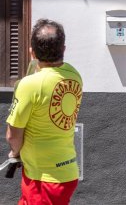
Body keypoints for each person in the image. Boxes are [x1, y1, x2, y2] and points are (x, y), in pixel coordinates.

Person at [6, 19, 83, 205]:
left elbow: (13, 135)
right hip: (66, 171)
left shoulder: (29, 85)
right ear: (63, 49)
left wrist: (14, 153)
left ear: (31, 52)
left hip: (44, 177)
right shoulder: (74, 75)